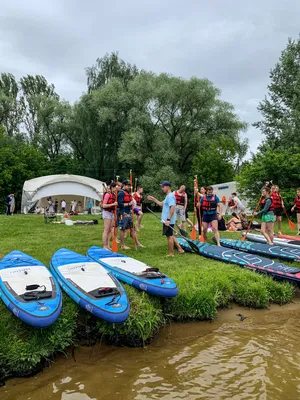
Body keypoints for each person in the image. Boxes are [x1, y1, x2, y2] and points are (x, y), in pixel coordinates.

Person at [148, 181, 184, 257]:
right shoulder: (168, 196)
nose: (162, 188)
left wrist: (168, 219)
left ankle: (171, 253)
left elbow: (173, 207)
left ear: (167, 187)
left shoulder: (170, 196)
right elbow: (161, 204)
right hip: (167, 220)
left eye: (163, 187)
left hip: (168, 220)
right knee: (171, 235)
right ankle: (180, 249)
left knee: (169, 236)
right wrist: (153, 199)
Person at [118, 180, 144, 250]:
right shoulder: (120, 193)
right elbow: (119, 204)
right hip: (123, 213)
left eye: (129, 186)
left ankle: (137, 243)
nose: (129, 187)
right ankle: (122, 245)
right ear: (124, 185)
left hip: (129, 213)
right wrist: (129, 204)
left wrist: (131, 208)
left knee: (133, 229)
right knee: (123, 229)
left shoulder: (128, 193)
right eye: (128, 186)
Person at [102, 183, 118, 250]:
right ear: (112, 188)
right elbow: (104, 205)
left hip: (112, 213)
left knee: (109, 230)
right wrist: (113, 204)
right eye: (115, 188)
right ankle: (104, 246)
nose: (116, 189)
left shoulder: (114, 195)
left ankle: (108, 245)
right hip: (107, 213)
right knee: (106, 229)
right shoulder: (107, 194)